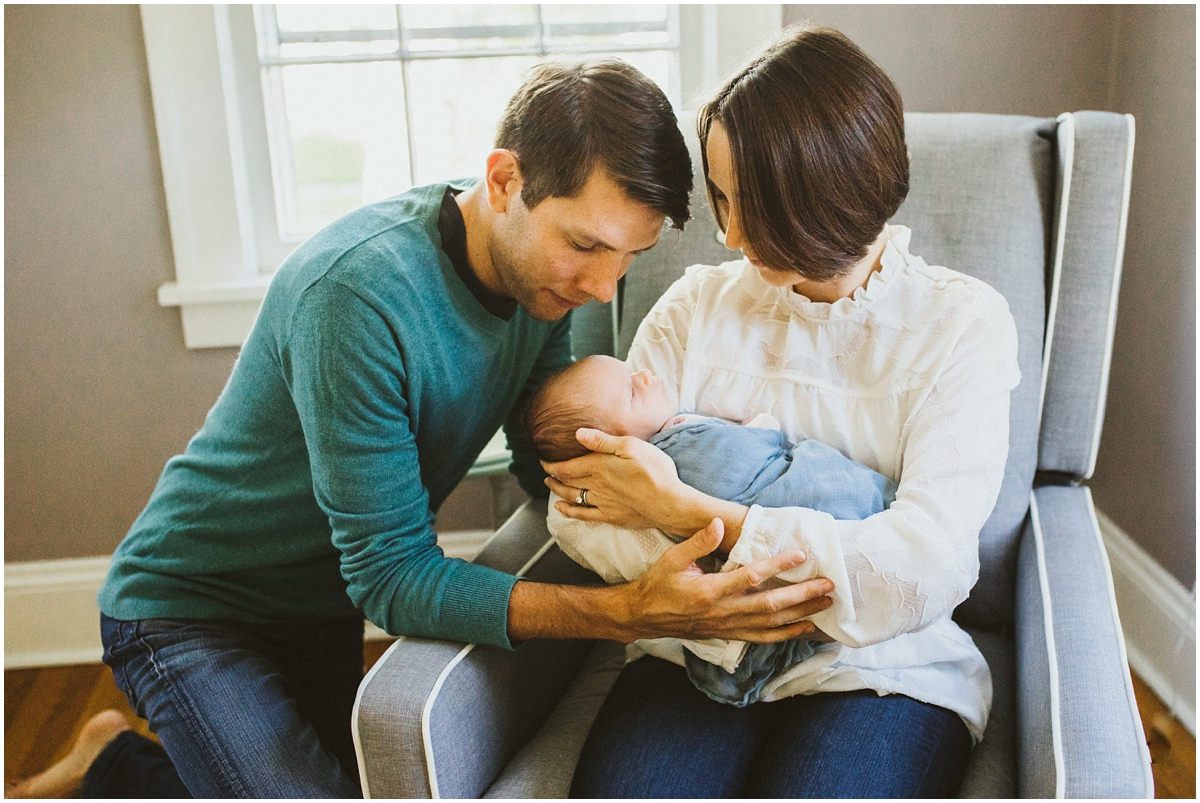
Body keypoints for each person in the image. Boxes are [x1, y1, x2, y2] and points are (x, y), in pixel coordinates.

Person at [75, 59, 835, 798]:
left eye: (629, 258)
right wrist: (625, 610)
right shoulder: (356, 298)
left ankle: (110, 762)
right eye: (585, 245)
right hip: (193, 607)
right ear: (503, 180)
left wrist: (701, 480)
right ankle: (110, 753)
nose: (601, 288)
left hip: (318, 606)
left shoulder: (539, 289)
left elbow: (557, 472)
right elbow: (392, 577)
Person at [542, 26, 1021, 798]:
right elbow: (580, 507)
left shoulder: (961, 326)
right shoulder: (695, 306)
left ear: (828, 190)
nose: (729, 236)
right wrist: (698, 598)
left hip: (880, 664)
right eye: (722, 199)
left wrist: (686, 511)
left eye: (751, 205)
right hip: (695, 649)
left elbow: (927, 560)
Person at [524, 353, 897, 706]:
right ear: (604, 446)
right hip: (825, 539)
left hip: (856, 610)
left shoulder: (674, 430)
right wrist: (757, 431)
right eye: (632, 391)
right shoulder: (679, 454)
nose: (646, 375)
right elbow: (744, 462)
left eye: (632, 370)